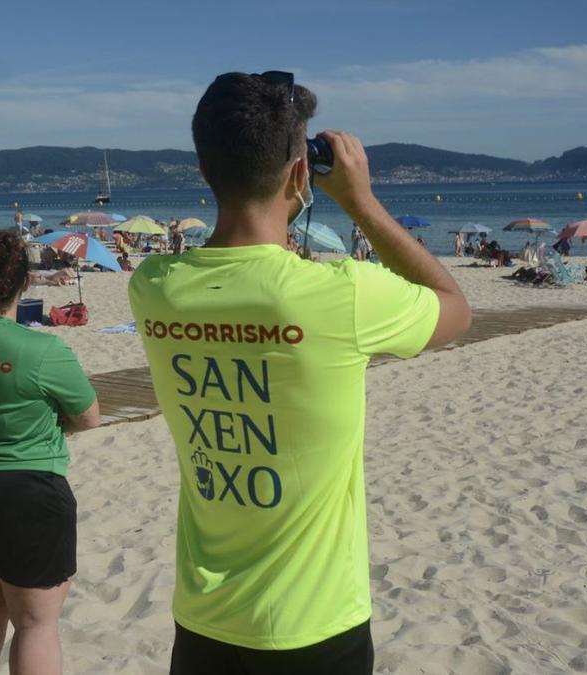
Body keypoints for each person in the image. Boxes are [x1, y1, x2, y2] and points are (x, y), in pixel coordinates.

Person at [128, 72, 470, 675]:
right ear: (299, 174)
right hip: (314, 624)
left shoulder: (154, 288)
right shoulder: (340, 296)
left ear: (205, 171)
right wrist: (360, 201)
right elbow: (454, 308)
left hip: (205, 620)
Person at [0, 230, 100, 675]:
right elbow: (89, 417)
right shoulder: (43, 349)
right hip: (27, 486)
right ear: (24, 283)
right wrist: (51, 424)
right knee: (35, 623)